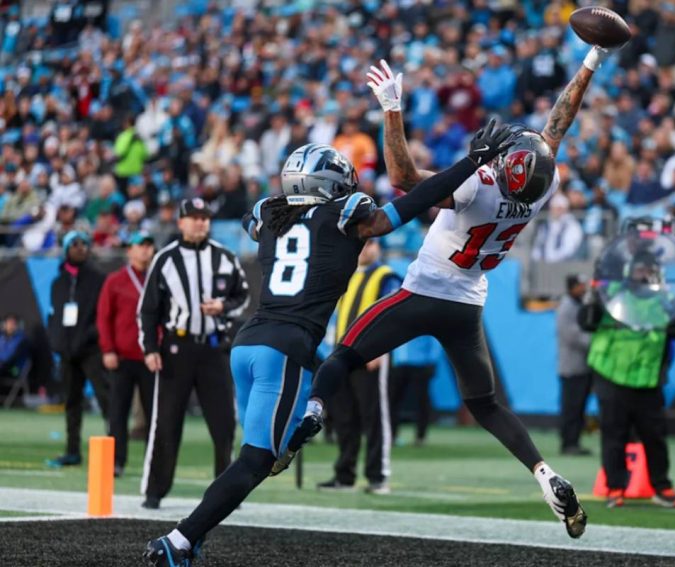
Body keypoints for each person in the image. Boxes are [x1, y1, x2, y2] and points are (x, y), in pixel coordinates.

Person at [143, 123, 517, 564]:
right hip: (284, 348)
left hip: (246, 343)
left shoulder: (268, 215)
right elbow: (413, 202)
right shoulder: (347, 214)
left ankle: (200, 529)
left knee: (252, 456)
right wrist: (471, 163)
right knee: (256, 461)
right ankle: (179, 541)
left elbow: (254, 218)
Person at [295, 49, 621, 540]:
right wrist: (592, 60)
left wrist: (391, 107)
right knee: (487, 405)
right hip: (467, 306)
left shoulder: (478, 185)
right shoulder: (542, 187)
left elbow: (406, 180)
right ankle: (542, 472)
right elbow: (559, 121)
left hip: (423, 290)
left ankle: (313, 413)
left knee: (341, 357)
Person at [137, 198, 250, 510]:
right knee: (166, 421)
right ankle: (154, 490)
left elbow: (243, 295)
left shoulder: (225, 257)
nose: (200, 222)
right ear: (181, 222)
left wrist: (223, 307)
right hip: (177, 348)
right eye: (194, 217)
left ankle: (226, 491)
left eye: (205, 217)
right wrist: (149, 348)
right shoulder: (165, 259)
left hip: (214, 348)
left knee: (224, 423)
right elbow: (148, 311)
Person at [582, 246, 675, 509]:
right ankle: (615, 487)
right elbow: (586, 322)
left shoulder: (665, 301)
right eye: (640, 268)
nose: (644, 273)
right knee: (614, 435)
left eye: (649, 269)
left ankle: (662, 487)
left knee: (655, 435)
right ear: (629, 270)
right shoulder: (610, 293)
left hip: (648, 377)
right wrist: (590, 301)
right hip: (611, 373)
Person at [318, 239, 401, 494]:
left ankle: (378, 477)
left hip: (370, 356)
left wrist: (382, 348)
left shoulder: (386, 276)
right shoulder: (349, 276)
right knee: (344, 418)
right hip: (343, 355)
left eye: (371, 244)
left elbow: (394, 315)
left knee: (374, 417)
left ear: (378, 247)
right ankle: (345, 475)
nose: (366, 248)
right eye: (362, 244)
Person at [96, 231, 156, 477]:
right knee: (117, 412)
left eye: (148, 245)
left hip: (151, 357)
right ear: (129, 250)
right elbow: (103, 317)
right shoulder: (115, 280)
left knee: (155, 414)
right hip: (122, 357)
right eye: (139, 245)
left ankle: (153, 463)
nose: (145, 250)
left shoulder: (158, 279)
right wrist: (108, 349)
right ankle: (116, 461)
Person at [46, 231, 108, 468]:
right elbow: (54, 315)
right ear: (66, 248)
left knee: (106, 400)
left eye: (84, 243)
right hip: (67, 352)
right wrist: (58, 343)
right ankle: (72, 451)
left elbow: (101, 316)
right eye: (75, 244)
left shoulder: (98, 278)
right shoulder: (58, 282)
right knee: (72, 402)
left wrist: (88, 337)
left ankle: (114, 453)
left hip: (91, 350)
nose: (80, 248)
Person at [557, 275, 593, 456]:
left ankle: (574, 442)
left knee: (578, 408)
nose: (583, 288)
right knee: (571, 407)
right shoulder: (567, 307)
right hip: (572, 367)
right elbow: (572, 336)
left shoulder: (577, 304)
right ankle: (568, 443)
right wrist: (597, 343)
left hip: (581, 367)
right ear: (572, 287)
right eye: (580, 285)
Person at [390, 335, 441, 447]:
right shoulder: (394, 320)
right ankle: (392, 436)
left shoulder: (423, 318)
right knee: (392, 401)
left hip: (420, 364)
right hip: (398, 365)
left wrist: (432, 360)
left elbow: (434, 339)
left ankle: (421, 437)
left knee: (422, 401)